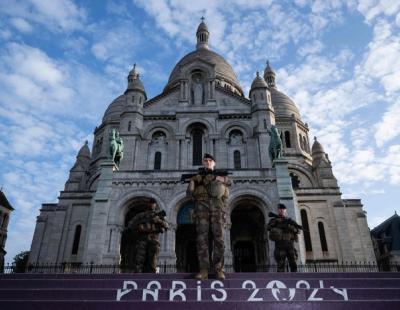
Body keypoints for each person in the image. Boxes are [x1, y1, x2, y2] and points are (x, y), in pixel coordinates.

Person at [186, 153, 231, 280]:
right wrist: (193, 181)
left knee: (219, 240)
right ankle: (203, 270)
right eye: (205, 160)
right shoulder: (198, 177)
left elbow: (229, 182)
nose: (207, 162)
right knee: (202, 239)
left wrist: (217, 178)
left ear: (214, 162)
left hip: (217, 209)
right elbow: (189, 194)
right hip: (201, 210)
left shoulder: (221, 175)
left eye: (210, 160)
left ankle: (219, 269)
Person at [127, 199, 169, 273]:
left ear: (155, 205)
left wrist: (159, 221)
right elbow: (130, 225)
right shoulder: (141, 215)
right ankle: (137, 275)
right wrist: (139, 227)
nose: (152, 205)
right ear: (148, 204)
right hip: (142, 238)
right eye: (150, 203)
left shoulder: (159, 215)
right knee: (139, 259)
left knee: (152, 259)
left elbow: (167, 226)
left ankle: (151, 275)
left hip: (154, 238)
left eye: (153, 203)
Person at [267, 203, 300, 272]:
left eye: (283, 209)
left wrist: (290, 227)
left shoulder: (289, 220)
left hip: (290, 245)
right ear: (278, 210)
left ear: (285, 210)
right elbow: (268, 227)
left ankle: (295, 279)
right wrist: (279, 227)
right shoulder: (274, 220)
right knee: (280, 265)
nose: (281, 211)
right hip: (280, 245)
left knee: (293, 264)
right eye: (280, 209)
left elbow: (297, 230)